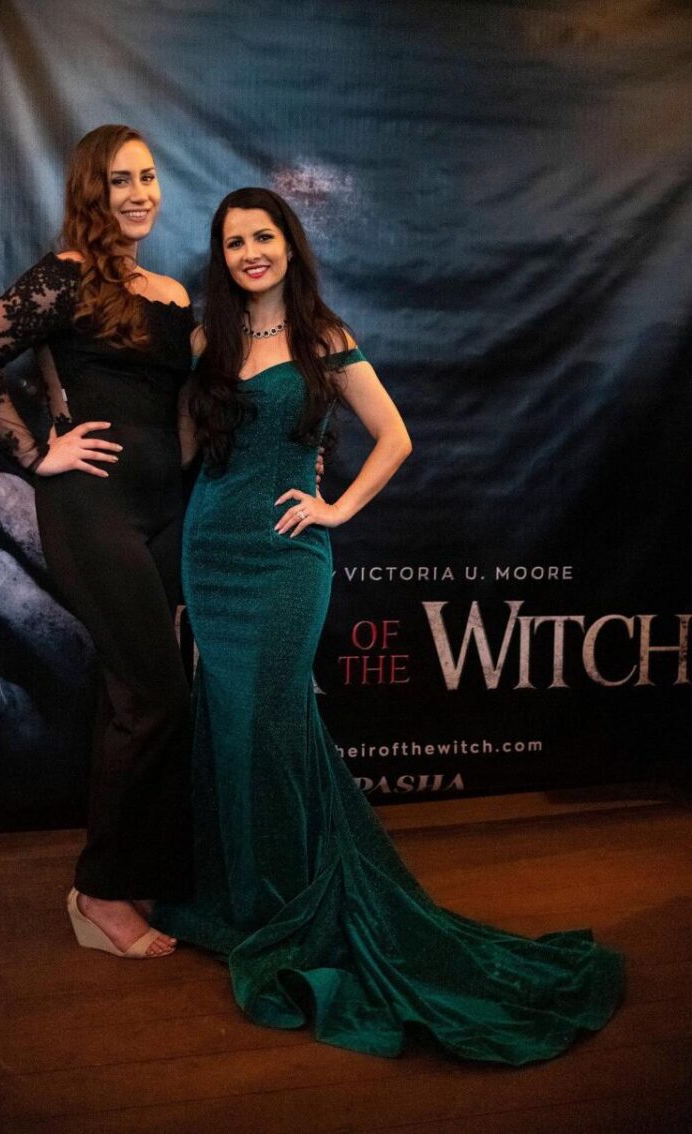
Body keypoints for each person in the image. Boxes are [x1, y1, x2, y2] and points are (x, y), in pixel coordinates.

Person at [153, 187, 624, 1061]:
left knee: (272, 723)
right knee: (231, 726)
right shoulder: (205, 343)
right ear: (220, 256)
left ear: (289, 245)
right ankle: (246, 899)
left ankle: (295, 903)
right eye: (234, 241)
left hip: (287, 560)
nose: (250, 252)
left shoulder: (324, 337)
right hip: (210, 552)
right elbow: (182, 451)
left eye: (263, 236)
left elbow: (395, 436)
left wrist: (336, 508)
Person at [0, 124, 196, 958]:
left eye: (148, 176)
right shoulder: (66, 276)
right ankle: (99, 893)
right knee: (156, 698)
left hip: (165, 510)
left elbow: (182, 409)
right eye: (120, 180)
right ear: (93, 190)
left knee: (130, 697)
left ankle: (132, 871)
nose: (139, 193)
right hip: (92, 508)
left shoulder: (170, 293)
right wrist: (34, 452)